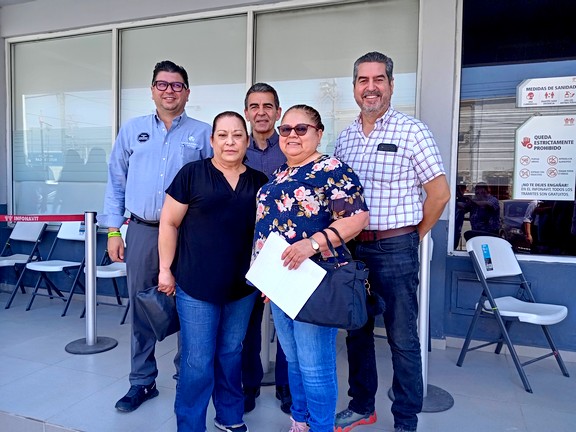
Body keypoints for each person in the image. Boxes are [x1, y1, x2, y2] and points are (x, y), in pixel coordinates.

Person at [333, 52, 450, 432]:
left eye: (378, 79)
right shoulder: (345, 138)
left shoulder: (412, 131)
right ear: (355, 87)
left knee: (402, 338)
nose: (371, 88)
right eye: (363, 80)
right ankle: (361, 405)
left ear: (391, 85)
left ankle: (405, 418)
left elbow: (439, 194)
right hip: (354, 249)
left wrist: (414, 237)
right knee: (357, 332)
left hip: (395, 248)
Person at [99, 60, 212, 413]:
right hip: (143, 232)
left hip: (190, 235)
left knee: (191, 307)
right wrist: (114, 230)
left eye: (177, 85)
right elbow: (116, 182)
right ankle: (142, 381)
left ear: (187, 93)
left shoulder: (203, 133)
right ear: (152, 91)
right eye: (162, 84)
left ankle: (186, 380)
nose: (169, 91)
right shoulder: (132, 130)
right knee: (142, 307)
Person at [252, 104, 369, 432]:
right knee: (293, 359)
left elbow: (357, 217)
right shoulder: (279, 174)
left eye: (301, 128)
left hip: (317, 280)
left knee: (315, 365)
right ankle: (300, 420)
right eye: (285, 129)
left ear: (318, 133)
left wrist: (313, 244)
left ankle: (320, 426)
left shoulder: (331, 169)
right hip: (280, 281)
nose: (292, 135)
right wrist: (266, 278)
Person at [158, 111, 268, 432]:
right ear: (212, 140)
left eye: (237, 135)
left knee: (232, 353)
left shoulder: (260, 182)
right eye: (223, 135)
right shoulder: (192, 174)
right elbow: (169, 223)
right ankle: (190, 425)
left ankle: (229, 416)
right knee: (197, 360)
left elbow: (267, 235)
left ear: (247, 141)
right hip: (196, 285)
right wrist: (165, 269)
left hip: (242, 289)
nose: (230, 142)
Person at [241, 82, 292, 414]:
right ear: (247, 112)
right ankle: (248, 385)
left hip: (284, 250)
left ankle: (287, 388)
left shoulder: (290, 147)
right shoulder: (234, 147)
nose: (261, 112)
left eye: (268, 106)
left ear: (278, 111)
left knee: (286, 323)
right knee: (246, 323)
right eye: (254, 106)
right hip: (242, 247)